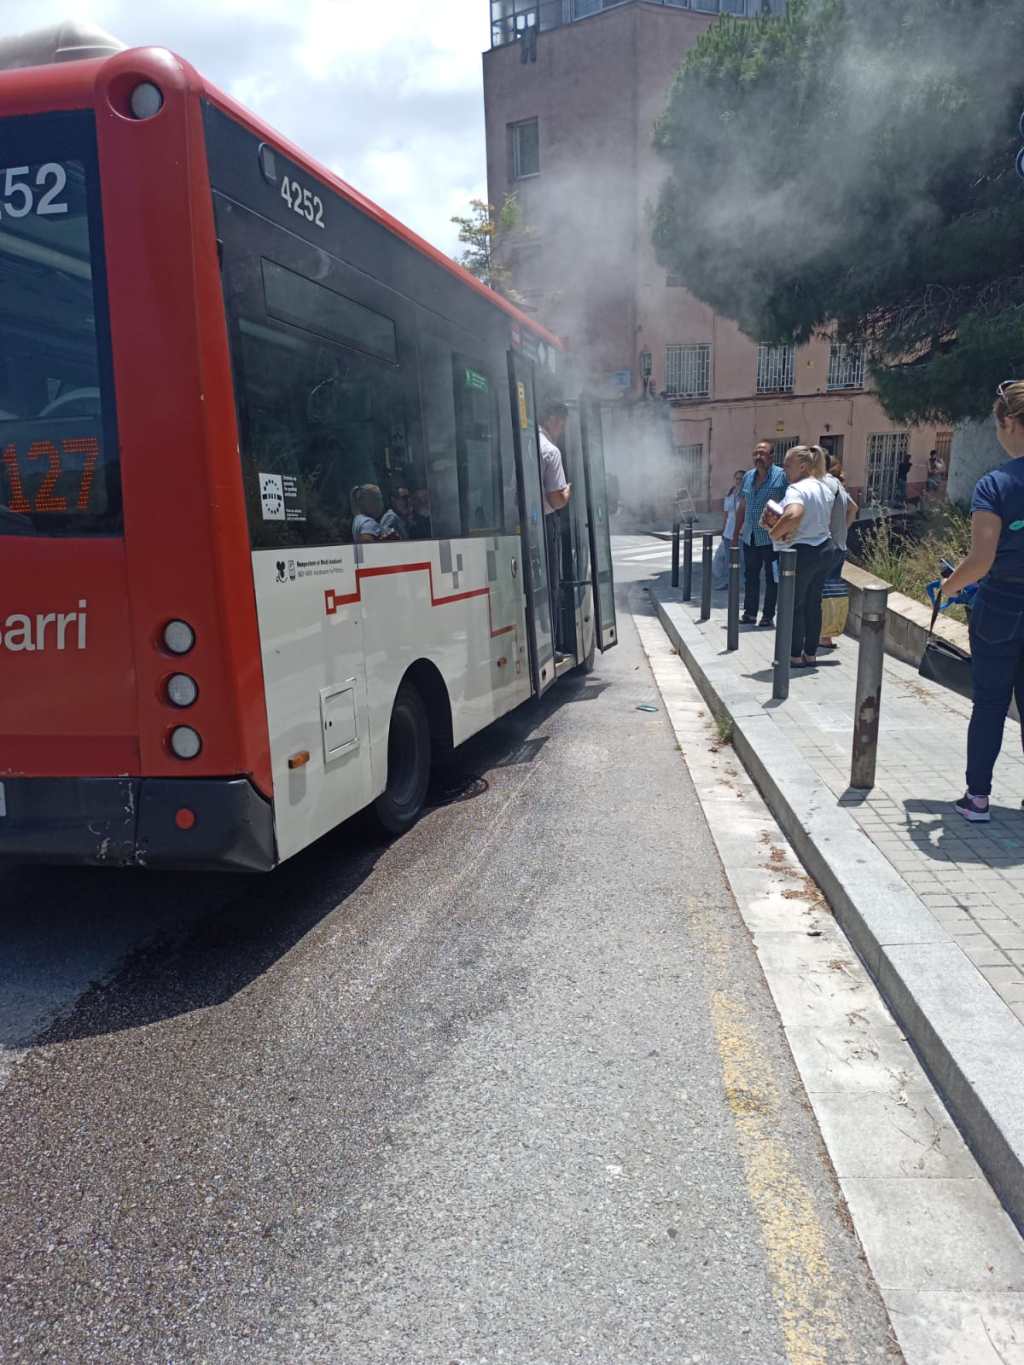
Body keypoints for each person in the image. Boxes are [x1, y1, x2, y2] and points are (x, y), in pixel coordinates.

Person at [939, 380, 1024, 822]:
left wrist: (951, 586)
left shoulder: (995, 485)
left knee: (990, 703)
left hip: (1003, 605)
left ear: (1009, 422)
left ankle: (978, 799)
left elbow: (981, 559)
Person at [761, 444, 835, 668]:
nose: (784, 469)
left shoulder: (797, 489)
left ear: (802, 466)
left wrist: (774, 533)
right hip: (824, 548)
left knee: (794, 605)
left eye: (788, 464)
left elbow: (795, 513)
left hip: (801, 552)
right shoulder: (824, 486)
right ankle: (810, 653)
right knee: (814, 603)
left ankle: (793, 655)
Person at [734, 441, 788, 626]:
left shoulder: (782, 477)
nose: (758, 457)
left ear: (771, 456)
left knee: (772, 577)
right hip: (750, 537)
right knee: (750, 576)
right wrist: (735, 534)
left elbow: (790, 505)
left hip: (772, 537)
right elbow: (743, 505)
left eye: (762, 453)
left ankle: (768, 615)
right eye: (756, 453)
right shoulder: (748, 476)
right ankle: (749, 613)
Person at [538, 399, 572, 655]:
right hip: (545, 524)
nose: (561, 429)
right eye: (561, 424)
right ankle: (551, 647)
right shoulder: (550, 450)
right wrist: (567, 491)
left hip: (522, 524)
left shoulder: (525, 442)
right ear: (552, 419)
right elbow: (556, 499)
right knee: (550, 584)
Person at [819, 451, 859, 650]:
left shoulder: (824, 484)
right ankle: (826, 635)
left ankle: (823, 635)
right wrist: (843, 530)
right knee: (831, 591)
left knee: (822, 592)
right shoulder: (837, 485)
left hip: (826, 547)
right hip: (839, 546)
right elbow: (854, 508)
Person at [712, 469, 745, 590]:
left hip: (741, 532)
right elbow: (726, 514)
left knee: (741, 559)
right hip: (728, 532)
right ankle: (727, 582)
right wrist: (723, 529)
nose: (739, 481)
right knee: (727, 559)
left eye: (741, 478)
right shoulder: (730, 494)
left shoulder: (747, 495)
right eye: (737, 478)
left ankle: (742, 583)